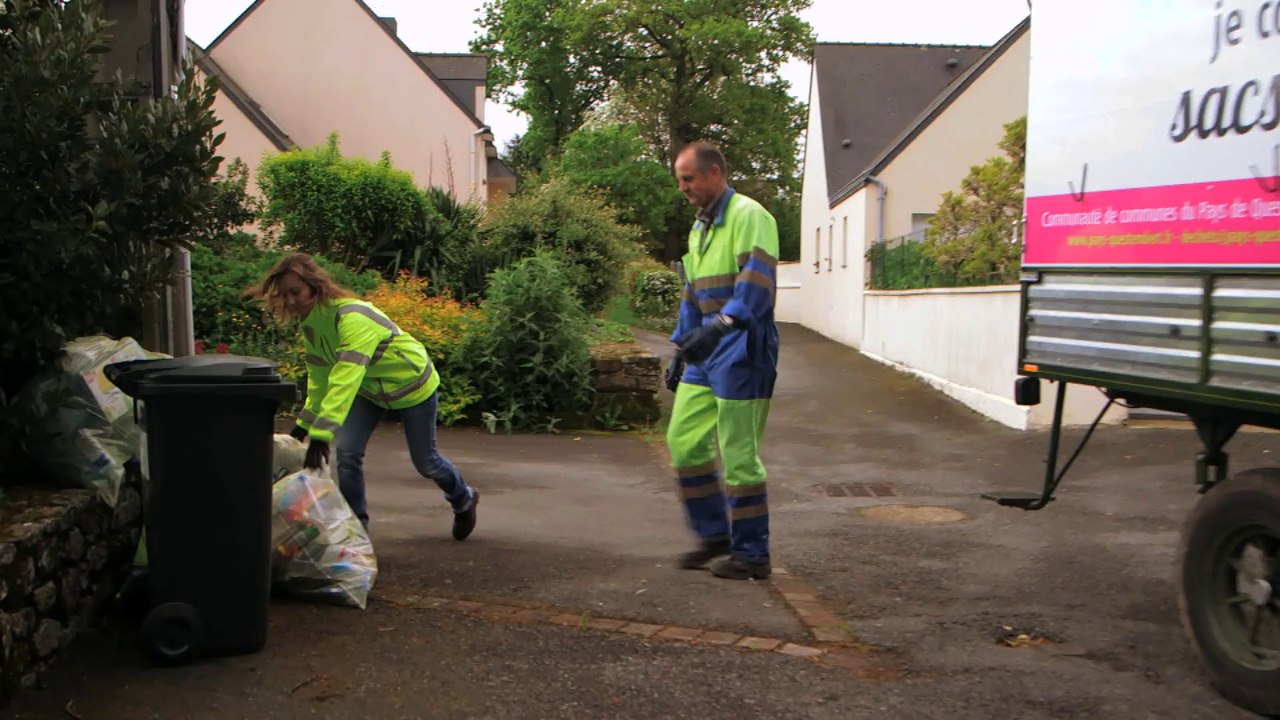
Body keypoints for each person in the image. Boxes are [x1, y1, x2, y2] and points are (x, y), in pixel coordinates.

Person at [245, 254, 478, 538]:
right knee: (347, 453)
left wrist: (321, 432)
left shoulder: (352, 317)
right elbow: (320, 380)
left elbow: (345, 377)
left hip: (413, 386)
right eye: (285, 295)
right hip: (371, 391)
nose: (292, 301)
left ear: (314, 287)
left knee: (426, 462)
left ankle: (463, 498)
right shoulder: (312, 326)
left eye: (296, 292)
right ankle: (359, 533)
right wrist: (305, 423)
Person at [667, 141, 780, 580]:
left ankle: (753, 554)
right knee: (683, 440)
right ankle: (716, 535)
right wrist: (681, 347)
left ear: (714, 173)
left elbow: (755, 285)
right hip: (707, 346)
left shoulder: (751, 216)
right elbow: (693, 294)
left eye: (688, 178)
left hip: (742, 344)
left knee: (738, 453)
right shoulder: (699, 230)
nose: (683, 187)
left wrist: (720, 327)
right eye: (680, 179)